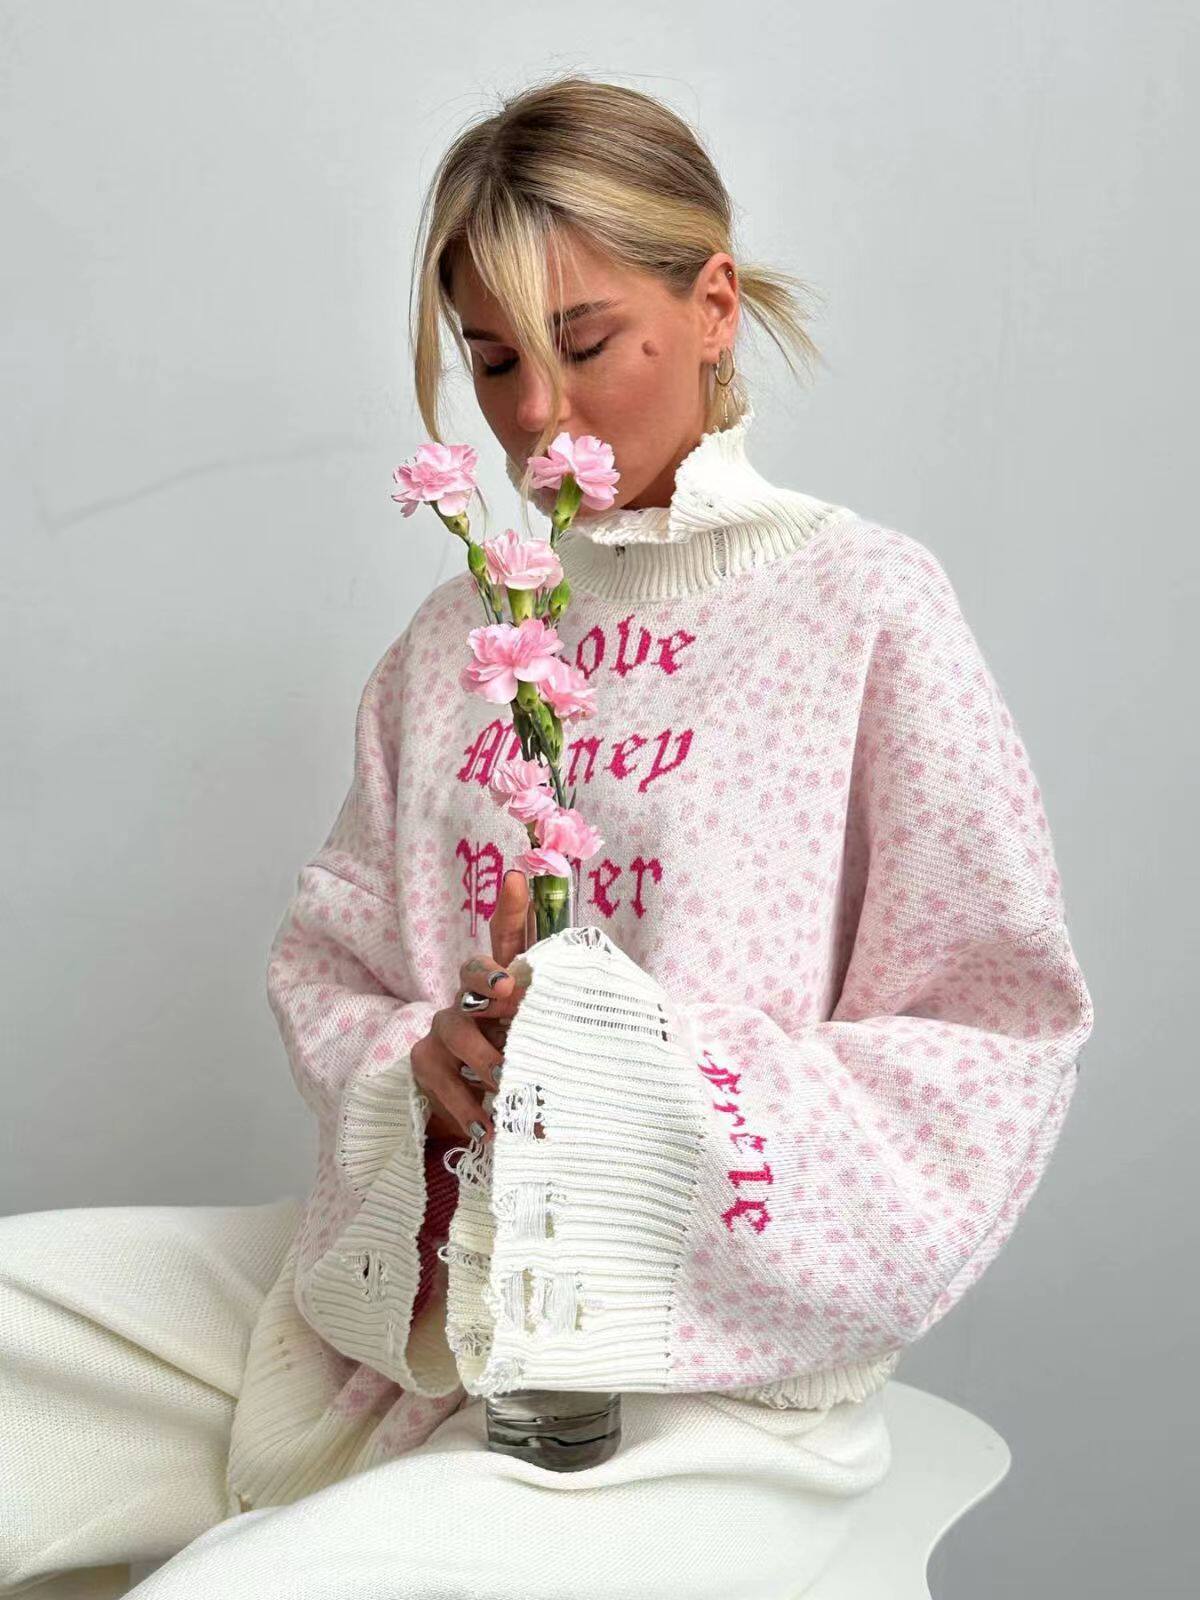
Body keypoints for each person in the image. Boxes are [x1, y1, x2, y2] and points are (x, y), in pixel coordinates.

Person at [0, 74, 1093, 1600]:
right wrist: (424, 1064)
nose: (532, 414)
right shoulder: (455, 640)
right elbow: (335, 963)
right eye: (493, 358)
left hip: (694, 1380)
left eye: (582, 345)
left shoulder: (862, 609)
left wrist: (624, 1076)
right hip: (425, 1305)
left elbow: (990, 1031)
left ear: (713, 307)